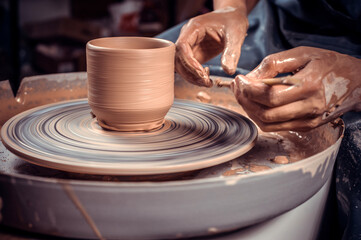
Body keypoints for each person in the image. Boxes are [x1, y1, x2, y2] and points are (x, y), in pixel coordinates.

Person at [157, 0, 361, 239]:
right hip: (278, 19)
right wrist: (231, 9)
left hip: (354, 58)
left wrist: (356, 80)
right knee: (163, 59)